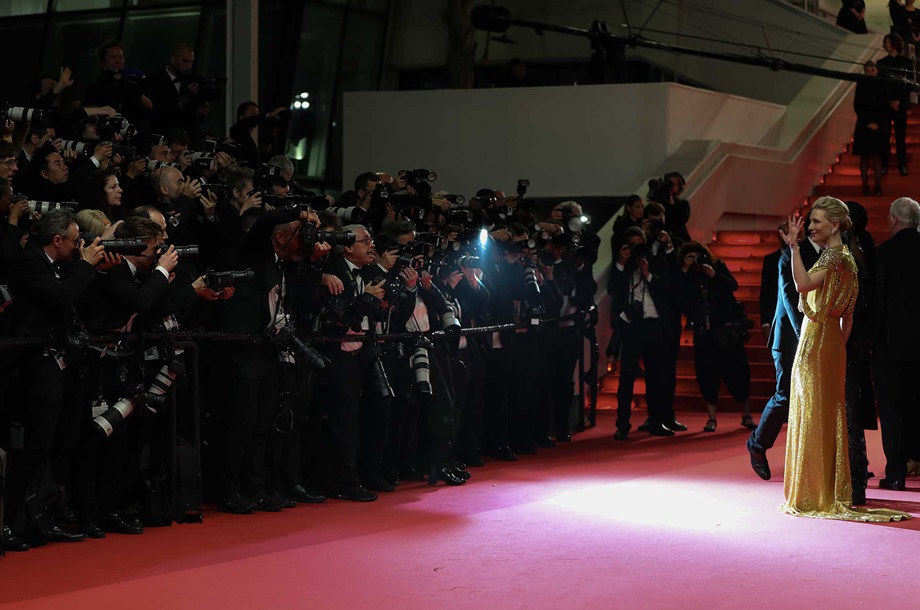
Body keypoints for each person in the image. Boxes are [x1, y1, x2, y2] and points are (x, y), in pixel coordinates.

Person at [779, 196, 908, 522]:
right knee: (826, 414)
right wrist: (834, 343)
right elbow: (848, 318)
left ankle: (813, 494)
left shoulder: (834, 257)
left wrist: (794, 248)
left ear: (835, 225)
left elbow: (803, 283)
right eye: (810, 222)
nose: (810, 227)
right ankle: (824, 490)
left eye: (817, 222)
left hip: (816, 339)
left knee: (813, 415)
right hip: (833, 341)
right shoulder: (848, 257)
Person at [676, 242, 754, 432]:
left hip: (726, 331)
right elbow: (680, 298)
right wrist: (685, 270)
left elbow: (733, 285)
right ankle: (711, 418)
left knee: (738, 373)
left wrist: (714, 275)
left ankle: (746, 415)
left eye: (698, 256)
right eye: (690, 257)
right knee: (706, 375)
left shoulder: (716, 267)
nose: (696, 261)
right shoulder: (687, 278)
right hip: (703, 333)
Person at [872, 197, 920, 491]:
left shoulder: (884, 254)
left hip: (890, 345)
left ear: (893, 220)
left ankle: (896, 473)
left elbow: (877, 301)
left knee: (891, 409)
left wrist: (871, 339)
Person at [852, 61, 890, 196]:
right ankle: (865, 185)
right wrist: (867, 122)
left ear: (876, 71)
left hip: (879, 123)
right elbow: (858, 105)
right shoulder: (861, 86)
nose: (871, 72)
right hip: (864, 124)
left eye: (873, 70)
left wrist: (878, 123)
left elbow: (885, 105)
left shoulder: (882, 85)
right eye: (868, 70)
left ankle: (878, 186)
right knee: (865, 157)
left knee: (877, 157)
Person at [877, 34, 913, 176]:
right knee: (885, 136)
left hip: (900, 103)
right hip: (886, 105)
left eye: (888, 42)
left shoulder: (906, 62)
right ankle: (885, 164)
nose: (886, 45)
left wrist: (898, 101)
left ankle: (902, 164)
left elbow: (908, 84)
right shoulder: (881, 62)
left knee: (900, 136)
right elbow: (880, 86)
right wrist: (889, 102)